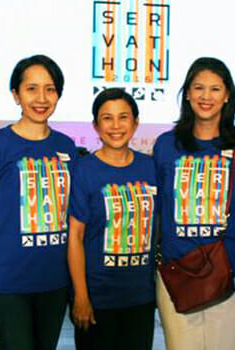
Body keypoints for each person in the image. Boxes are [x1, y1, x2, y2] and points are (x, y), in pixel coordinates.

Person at [0, 54, 78, 350]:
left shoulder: (66, 147)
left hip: (54, 283)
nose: (41, 98)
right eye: (31, 89)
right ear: (16, 94)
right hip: (8, 285)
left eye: (50, 89)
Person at [152, 57, 235, 350]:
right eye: (198, 88)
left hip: (229, 275)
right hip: (178, 272)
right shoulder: (166, 145)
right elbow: (159, 209)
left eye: (215, 89)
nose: (206, 96)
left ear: (227, 95)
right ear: (187, 93)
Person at [68, 88, 157, 350]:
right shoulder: (84, 170)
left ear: (136, 122)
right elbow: (75, 236)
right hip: (97, 298)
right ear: (96, 125)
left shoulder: (150, 168)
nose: (116, 126)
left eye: (123, 117)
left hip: (140, 298)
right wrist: (81, 296)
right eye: (107, 118)